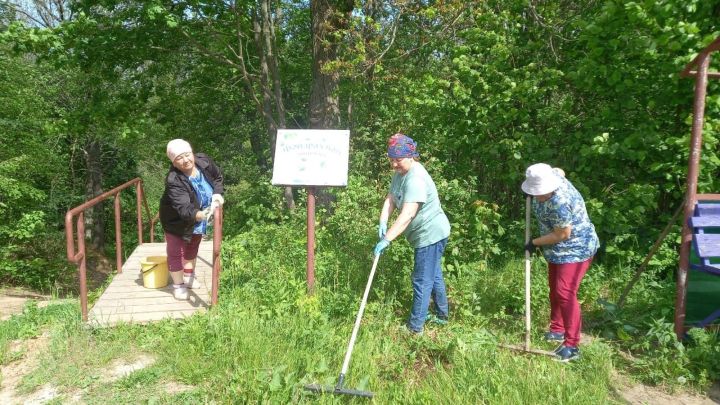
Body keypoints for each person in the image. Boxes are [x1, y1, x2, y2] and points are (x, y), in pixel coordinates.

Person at [374, 133, 451, 335]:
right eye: (391, 160)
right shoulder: (400, 174)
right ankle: (442, 316)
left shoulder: (415, 179)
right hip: (425, 233)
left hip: (430, 234)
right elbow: (391, 199)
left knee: (421, 280)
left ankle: (415, 327)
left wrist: (387, 238)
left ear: (411, 156)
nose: (394, 164)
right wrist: (383, 220)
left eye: (397, 160)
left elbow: (407, 214)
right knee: (433, 274)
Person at [522, 163, 599, 362]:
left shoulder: (559, 202)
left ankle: (572, 345)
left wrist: (534, 243)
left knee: (564, 292)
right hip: (556, 249)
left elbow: (563, 234)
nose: (537, 195)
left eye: (539, 192)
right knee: (554, 289)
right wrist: (533, 194)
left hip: (576, 248)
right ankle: (557, 329)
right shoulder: (554, 176)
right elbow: (560, 170)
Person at [160, 139, 224, 300]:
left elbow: (218, 178)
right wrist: (202, 215)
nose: (185, 160)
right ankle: (178, 285)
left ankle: (189, 277)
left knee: (193, 245)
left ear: (192, 153)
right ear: (174, 163)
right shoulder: (174, 180)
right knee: (176, 251)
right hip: (177, 220)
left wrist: (217, 194)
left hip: (200, 215)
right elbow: (184, 209)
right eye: (179, 158)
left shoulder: (204, 162)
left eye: (187, 155)